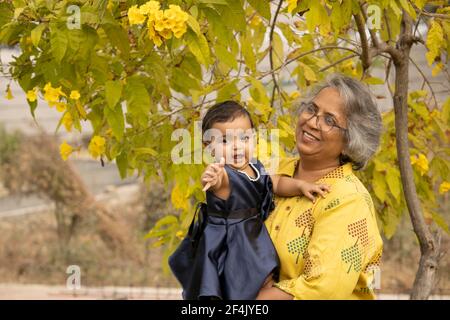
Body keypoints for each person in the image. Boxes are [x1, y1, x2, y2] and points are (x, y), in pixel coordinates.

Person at [169, 100, 329, 300]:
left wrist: (301, 186)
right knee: (240, 288)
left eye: (244, 138)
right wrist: (212, 177)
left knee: (264, 279)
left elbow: (274, 183)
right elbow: (218, 181)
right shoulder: (224, 174)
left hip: (251, 235)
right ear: (209, 147)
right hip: (232, 243)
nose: (237, 147)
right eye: (225, 141)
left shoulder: (254, 166)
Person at [256, 74, 384, 300]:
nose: (313, 122)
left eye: (329, 121)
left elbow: (323, 289)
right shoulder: (273, 171)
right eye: (312, 109)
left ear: (350, 142)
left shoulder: (348, 200)